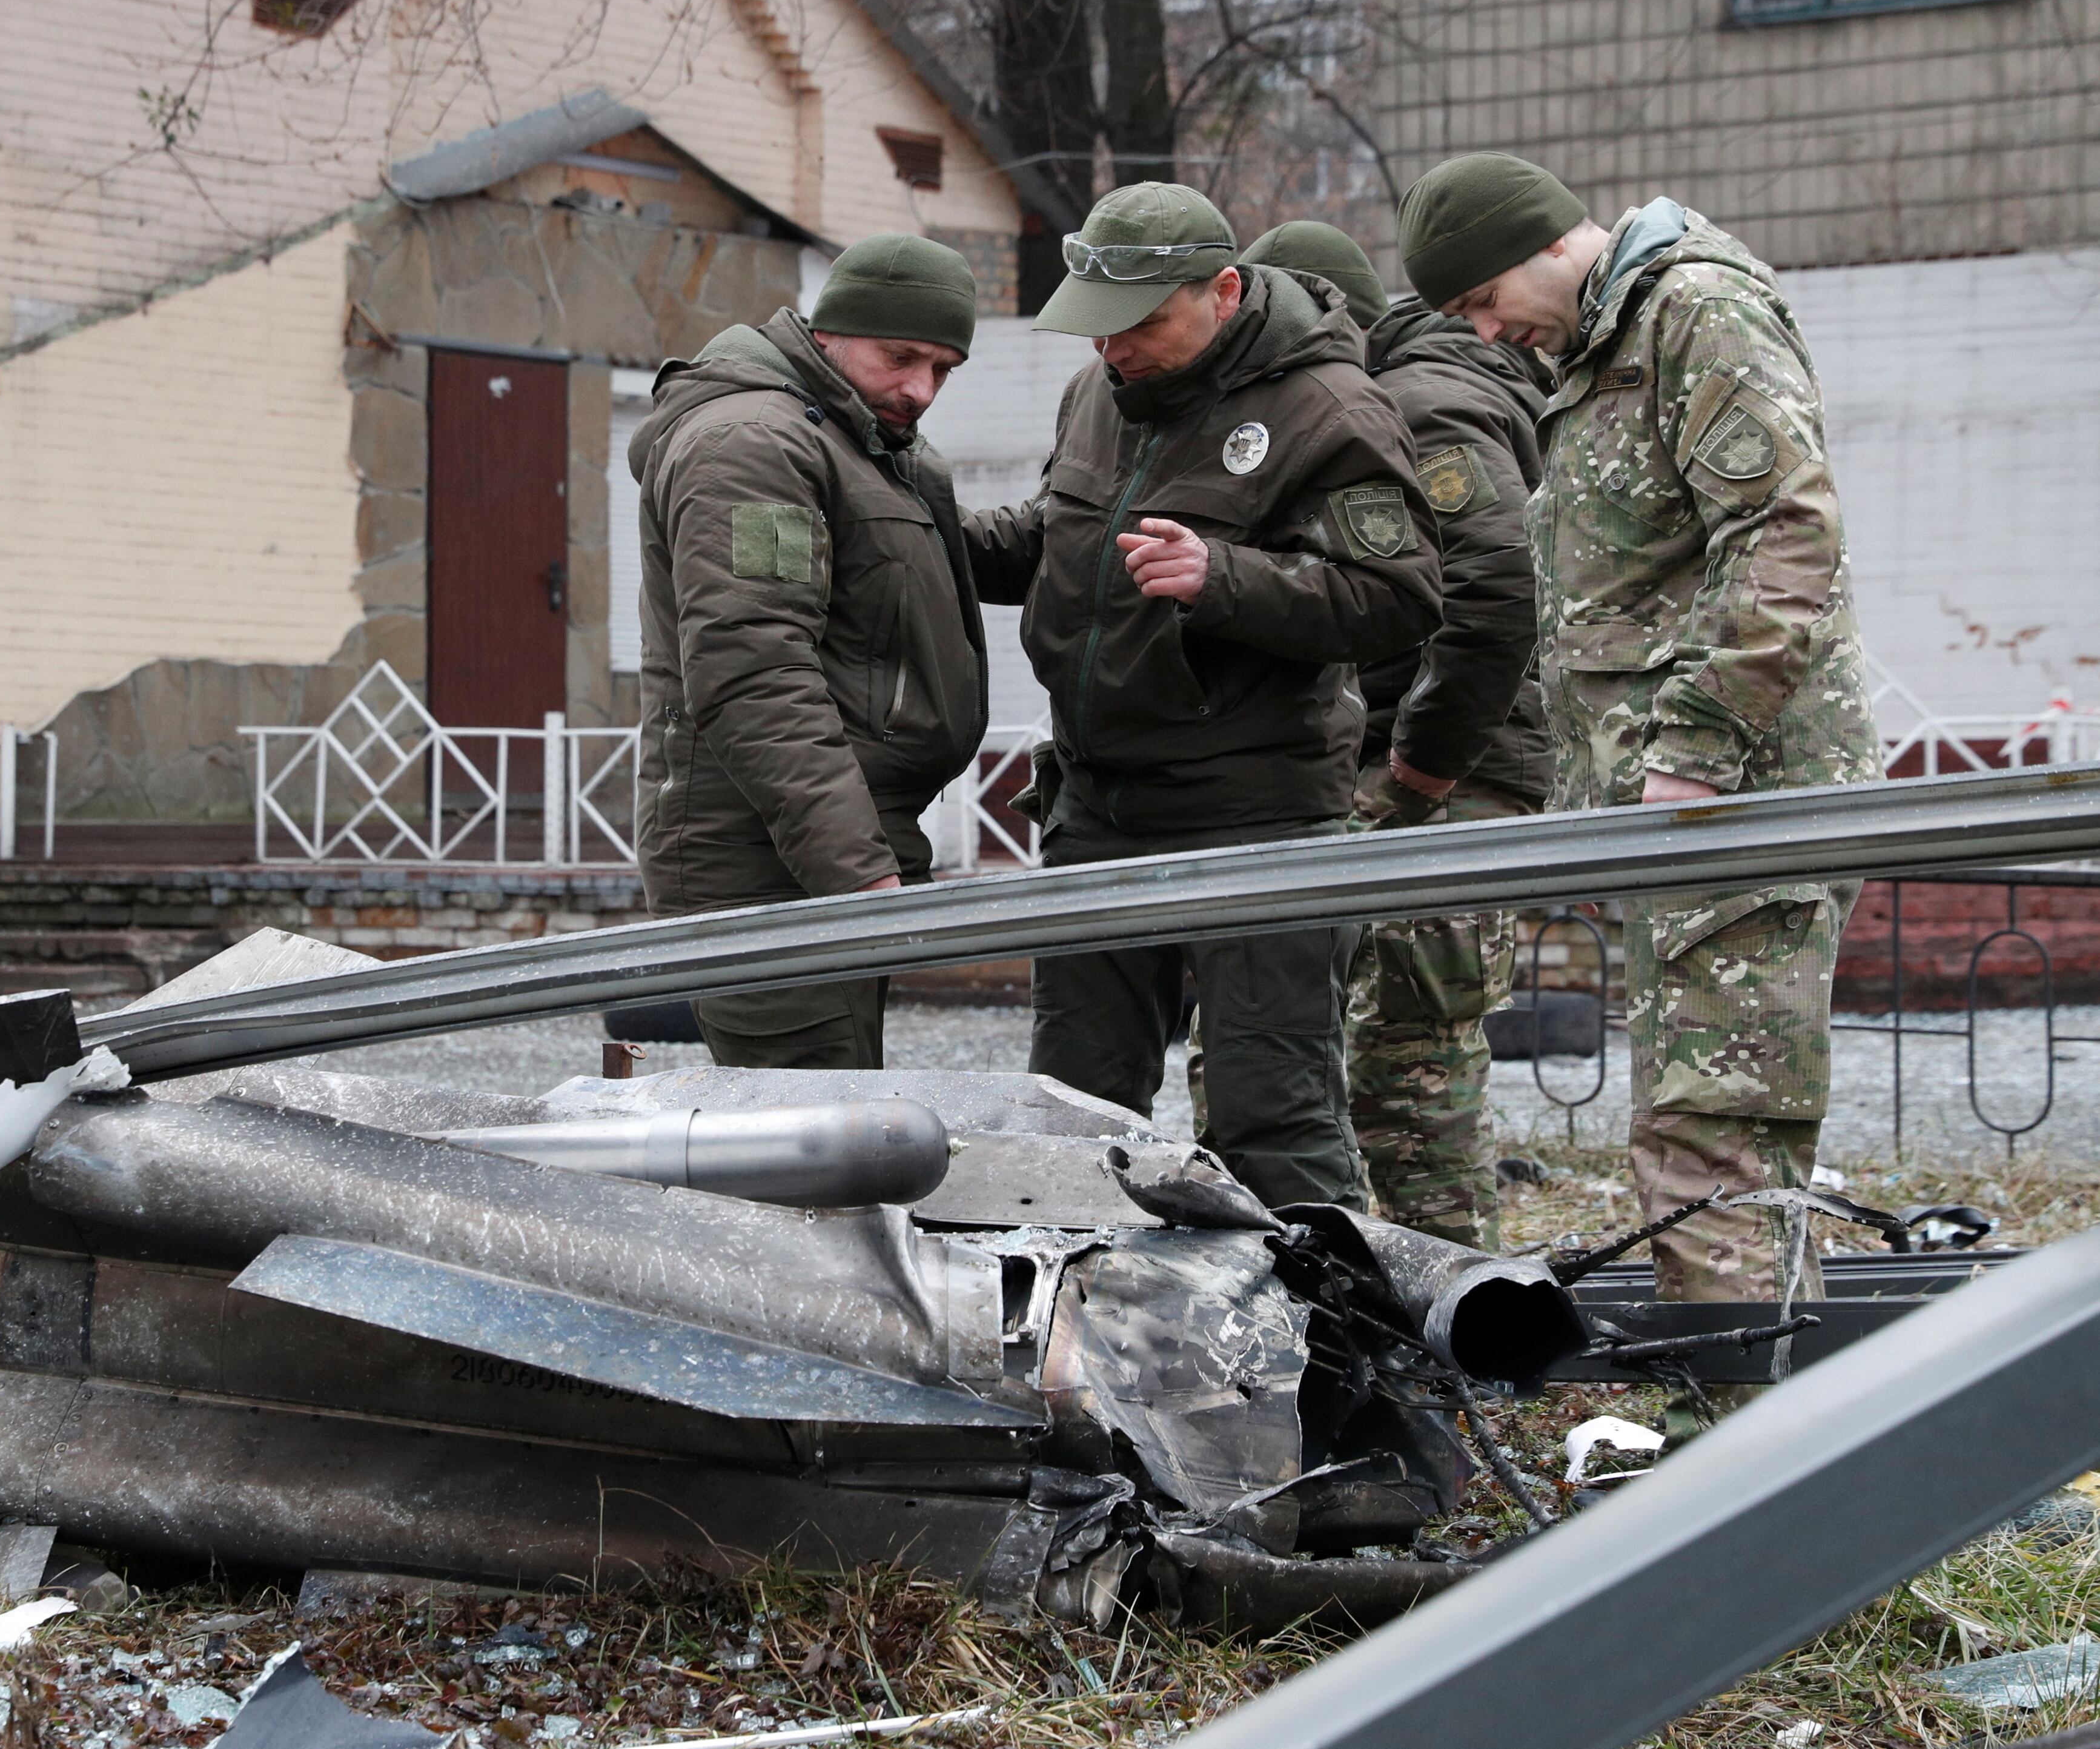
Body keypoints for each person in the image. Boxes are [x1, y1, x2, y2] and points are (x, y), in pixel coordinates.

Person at [1396, 153, 1883, 1301]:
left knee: (1713, 1127)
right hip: (1691, 810)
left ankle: (1741, 1435)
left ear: (1541, 246)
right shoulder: (1607, 344)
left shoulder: (1693, 311)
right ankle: (1753, 1401)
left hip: (1741, 797)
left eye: (1479, 302)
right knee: (1703, 1121)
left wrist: (1699, 748)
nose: (1484, 333)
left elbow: (1782, 530)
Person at [960, 184, 1441, 1210]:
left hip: (1256, 815)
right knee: (1072, 1109)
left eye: (1139, 324)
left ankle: (1333, 1349)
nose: (1113, 351)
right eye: (1097, 329)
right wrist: (931, 539)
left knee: (1273, 1115)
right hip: (1098, 806)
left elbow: (1400, 600)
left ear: (1222, 291)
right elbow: (1061, 533)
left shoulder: (1329, 408)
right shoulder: (1101, 389)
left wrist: (1225, 579)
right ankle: (1081, 1342)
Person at [1239, 219, 1554, 1249]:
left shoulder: (1419, 405)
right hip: (1435, 763)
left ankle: (1459, 1329)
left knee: (1408, 1069)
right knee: (1404, 1058)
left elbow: (1495, 593)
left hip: (1448, 773)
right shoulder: (1419, 387)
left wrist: (1418, 765)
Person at [629, 235, 989, 1069]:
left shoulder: (855, 435)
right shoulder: (753, 445)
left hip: (829, 848)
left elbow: (918, 560)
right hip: (768, 865)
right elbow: (755, 673)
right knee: (803, 1139)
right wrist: (857, 872)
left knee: (839, 1125)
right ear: (829, 332)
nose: (920, 389)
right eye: (901, 356)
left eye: (943, 369)